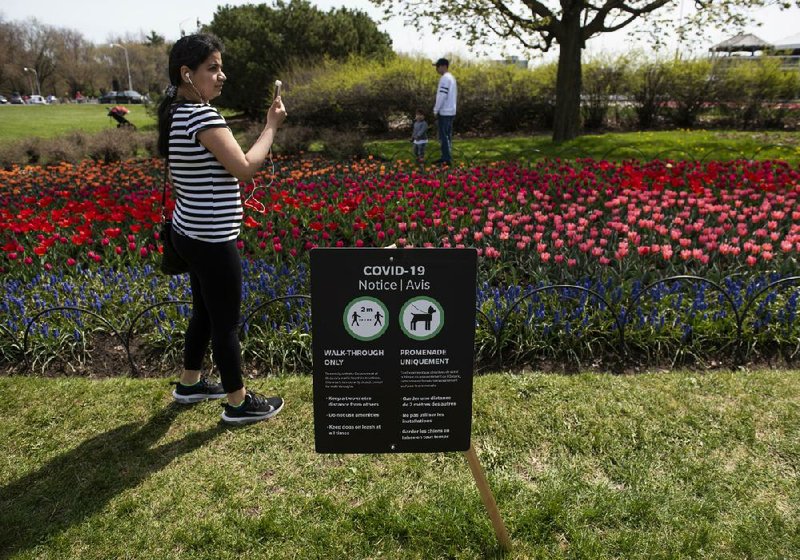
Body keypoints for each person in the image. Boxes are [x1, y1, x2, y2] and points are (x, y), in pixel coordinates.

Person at [157, 33, 287, 425]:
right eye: (212, 68)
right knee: (226, 321)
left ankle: (190, 383)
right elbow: (246, 167)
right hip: (213, 239)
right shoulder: (203, 116)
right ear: (187, 74)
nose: (221, 75)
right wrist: (271, 125)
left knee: (203, 310)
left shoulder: (176, 113)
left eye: (220, 67)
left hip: (188, 231)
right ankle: (238, 402)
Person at [432, 58, 457, 165]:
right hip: (451, 110)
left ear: (443, 66)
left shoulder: (445, 79)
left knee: (444, 136)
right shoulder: (451, 78)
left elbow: (442, 95)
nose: (436, 69)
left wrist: (436, 109)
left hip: (445, 111)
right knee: (447, 135)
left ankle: (446, 159)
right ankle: (446, 156)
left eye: (437, 66)